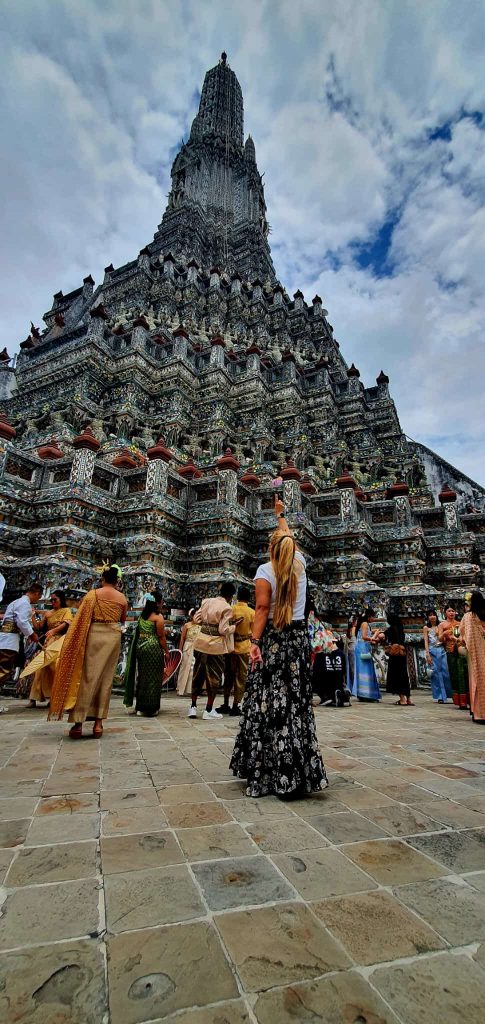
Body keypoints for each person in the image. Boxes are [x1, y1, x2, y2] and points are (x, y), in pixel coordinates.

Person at [230, 496, 328, 798]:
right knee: (294, 704)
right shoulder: (299, 565)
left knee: (268, 702)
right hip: (297, 640)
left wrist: (254, 643)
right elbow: (290, 541)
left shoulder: (264, 572)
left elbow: (261, 610)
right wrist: (281, 514)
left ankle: (268, 771)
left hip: (272, 639)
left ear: (271, 548)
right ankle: (296, 773)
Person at [49, 565, 127, 738]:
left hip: (94, 634)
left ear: (103, 579)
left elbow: (81, 618)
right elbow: (122, 619)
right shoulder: (122, 598)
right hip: (112, 636)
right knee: (105, 679)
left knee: (86, 677)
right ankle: (98, 725)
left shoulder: (93, 595)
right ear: (117, 581)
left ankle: (78, 724)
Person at [189, 582, 237, 720]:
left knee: (197, 674)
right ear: (230, 596)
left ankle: (192, 707)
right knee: (214, 677)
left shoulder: (206, 601)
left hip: (200, 641)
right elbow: (223, 630)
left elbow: (196, 619)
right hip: (215, 645)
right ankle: (209, 709)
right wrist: (234, 627)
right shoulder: (227, 608)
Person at [123, 590, 168, 716]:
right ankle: (151, 708)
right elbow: (161, 637)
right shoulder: (158, 617)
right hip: (153, 648)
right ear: (158, 603)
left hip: (140, 648)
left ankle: (140, 707)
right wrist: (167, 651)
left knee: (142, 677)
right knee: (154, 678)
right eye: (161, 601)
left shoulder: (142, 617)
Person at [27, 591, 73, 707]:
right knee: (40, 667)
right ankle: (33, 698)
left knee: (55, 666)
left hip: (60, 641)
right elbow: (39, 627)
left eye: (55, 600)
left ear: (61, 600)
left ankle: (55, 697)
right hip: (48, 643)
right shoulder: (48, 613)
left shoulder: (66, 611)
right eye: (51, 600)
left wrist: (54, 630)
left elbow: (66, 624)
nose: (52, 602)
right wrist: (33, 616)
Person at [218, 585, 255, 716]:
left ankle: (226, 703)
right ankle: (236, 705)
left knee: (228, 675)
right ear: (249, 598)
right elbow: (255, 632)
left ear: (237, 597)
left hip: (230, 647)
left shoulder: (231, 609)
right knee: (241, 677)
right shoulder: (252, 612)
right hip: (245, 647)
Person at [0, 583, 41, 687]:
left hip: (5, 638)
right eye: (39, 597)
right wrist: (32, 634)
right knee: (4, 669)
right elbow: (22, 622)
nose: (37, 600)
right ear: (36, 593)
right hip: (9, 640)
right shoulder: (25, 604)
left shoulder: (15, 602)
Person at [460, 591, 485, 723]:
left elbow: (463, 634)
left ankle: (479, 713)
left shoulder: (468, 617)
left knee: (476, 681)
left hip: (475, 655)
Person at [439, 606, 469, 709]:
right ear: (445, 612)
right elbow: (440, 639)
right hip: (450, 651)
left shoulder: (460, 623)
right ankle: (460, 701)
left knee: (464, 674)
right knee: (454, 675)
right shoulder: (442, 624)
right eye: (449, 611)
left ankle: (467, 700)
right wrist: (444, 634)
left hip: (460, 649)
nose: (451, 613)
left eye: (453, 611)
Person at [351, 608, 381, 701]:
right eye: (373, 617)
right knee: (366, 670)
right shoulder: (364, 624)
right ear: (369, 616)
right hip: (363, 648)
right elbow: (364, 636)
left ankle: (364, 693)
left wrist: (374, 632)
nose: (374, 619)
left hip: (362, 647)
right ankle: (366, 693)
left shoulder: (364, 624)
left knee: (364, 670)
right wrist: (373, 639)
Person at [423, 610, 450, 703]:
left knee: (445, 672)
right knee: (436, 674)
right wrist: (427, 654)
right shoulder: (426, 628)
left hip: (442, 650)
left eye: (434, 615)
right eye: (430, 615)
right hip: (432, 650)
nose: (432, 617)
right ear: (428, 617)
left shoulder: (441, 625)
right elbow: (426, 641)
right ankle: (440, 696)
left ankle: (448, 694)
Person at [385, 614, 412, 706]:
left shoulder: (390, 630)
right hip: (402, 653)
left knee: (397, 675)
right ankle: (408, 699)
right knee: (404, 675)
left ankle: (402, 699)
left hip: (395, 654)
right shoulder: (401, 630)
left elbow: (382, 637)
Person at [176, 609, 200, 696]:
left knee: (194, 668)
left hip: (197, 648)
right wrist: (180, 650)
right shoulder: (187, 625)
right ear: (192, 616)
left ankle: (191, 689)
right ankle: (181, 688)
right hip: (187, 647)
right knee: (185, 667)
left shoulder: (201, 626)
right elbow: (182, 638)